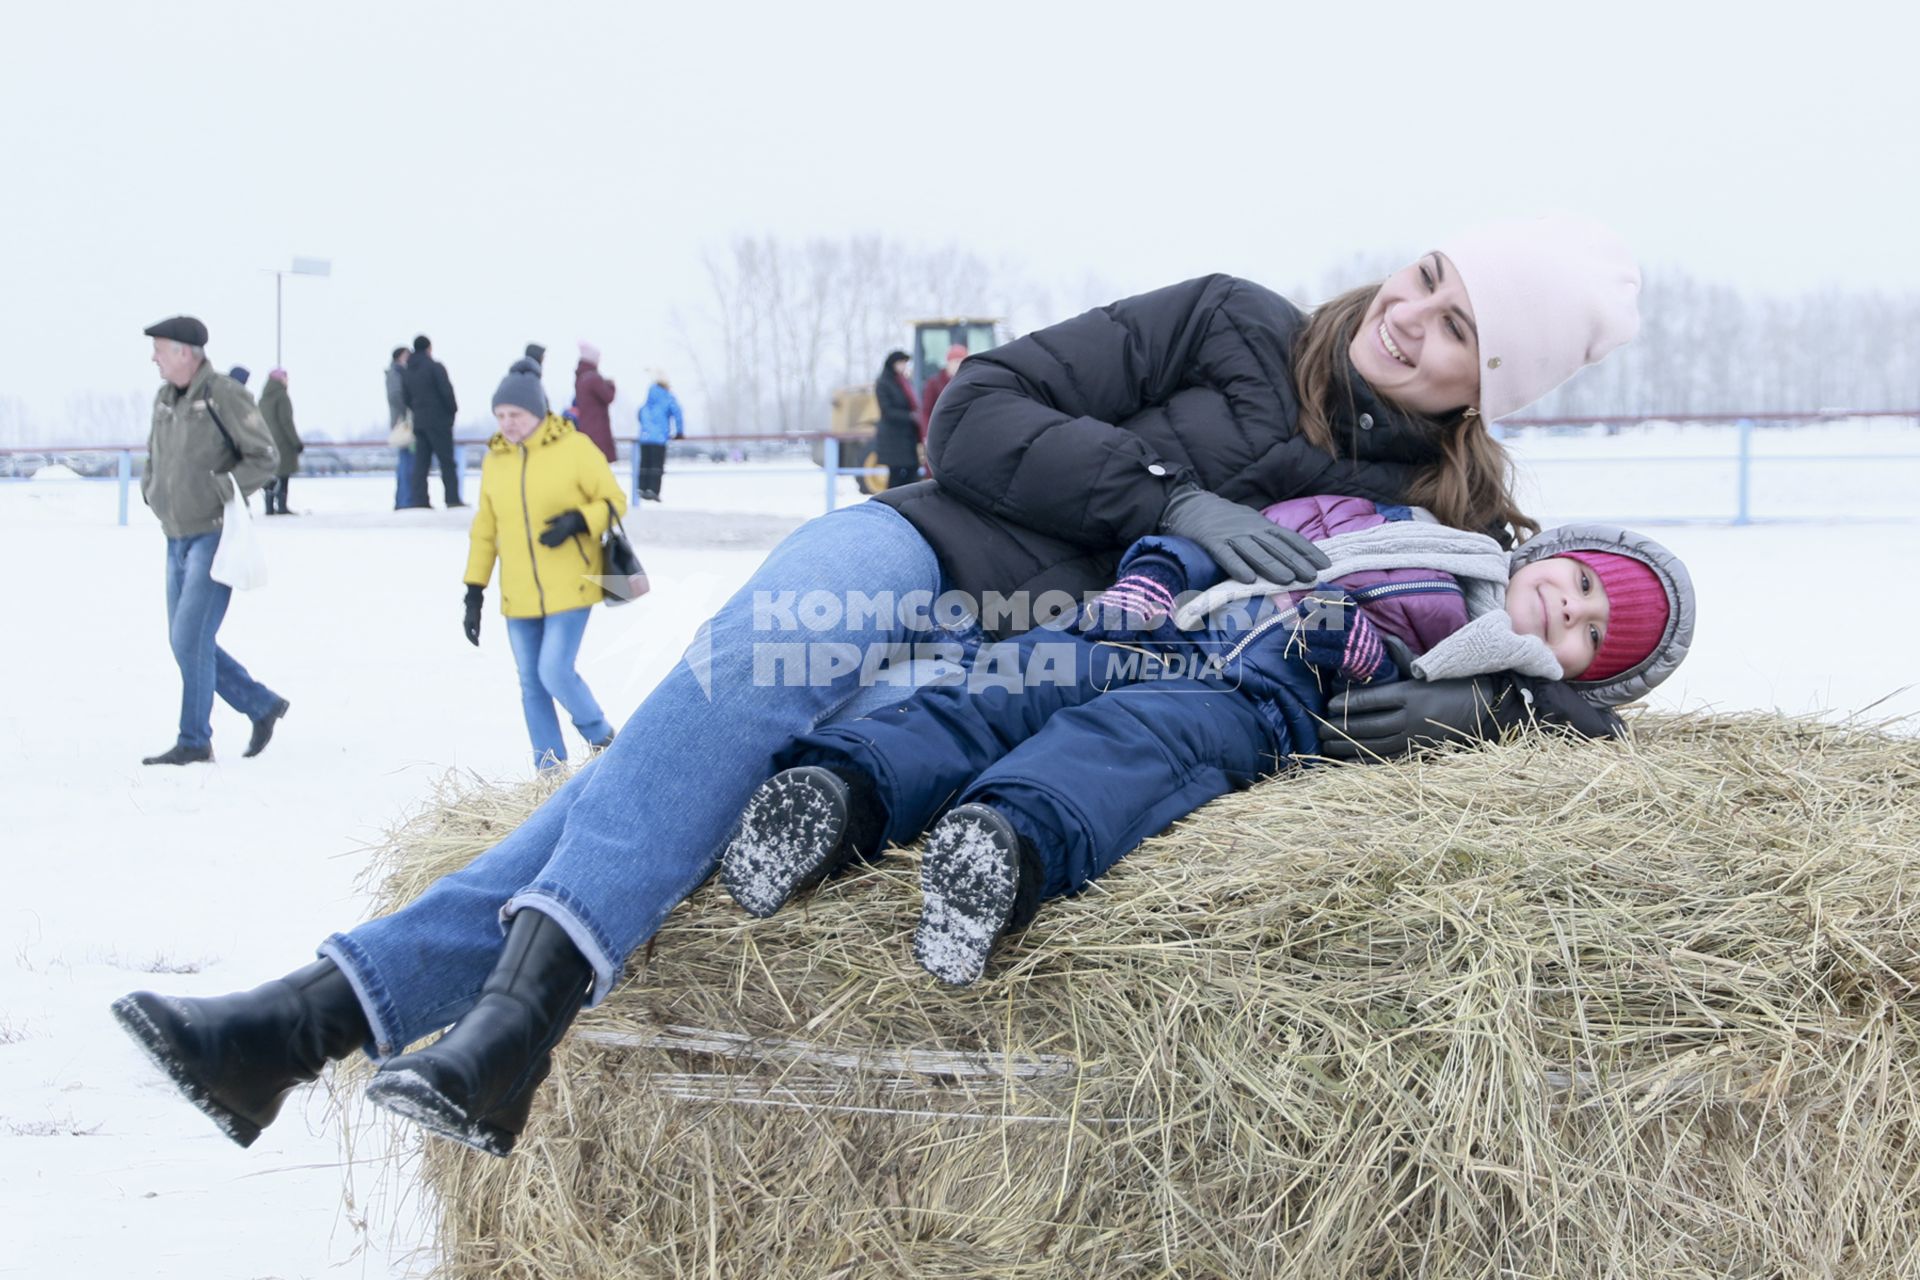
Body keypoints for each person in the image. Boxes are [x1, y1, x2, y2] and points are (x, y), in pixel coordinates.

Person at [110, 215, 1641, 1158]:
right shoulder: (1231, 318)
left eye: (1457, 334)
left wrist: (1486, 708)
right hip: (936, 549)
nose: (1413, 319)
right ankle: (515, 1020)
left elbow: (1588, 641)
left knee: (670, 767)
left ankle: (312, 1021)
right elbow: (977, 409)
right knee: (727, 690)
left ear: (1484, 392)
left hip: (1042, 668)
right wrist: (1162, 501)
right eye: (1428, 278)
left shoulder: (1449, 524)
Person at [723, 501, 1694, 984]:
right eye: (1585, 580)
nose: (1571, 606)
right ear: (1555, 551)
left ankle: (998, 851)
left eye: (1592, 633)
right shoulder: (1403, 526)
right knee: (1005, 686)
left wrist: (1371, 654)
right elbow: (1238, 530)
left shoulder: (1500, 686)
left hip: (1253, 694)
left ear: (1578, 670)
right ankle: (834, 797)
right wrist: (1154, 572)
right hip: (1174, 620)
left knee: (1132, 744)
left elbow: (1567, 733)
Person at [137, 316, 292, 765]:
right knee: (185, 640)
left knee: (189, 640)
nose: (154, 358)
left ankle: (194, 740)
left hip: (213, 535)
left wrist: (220, 491)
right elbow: (155, 456)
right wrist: (151, 490)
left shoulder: (223, 393)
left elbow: (265, 457)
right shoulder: (164, 399)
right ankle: (260, 703)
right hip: (175, 535)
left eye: (161, 349)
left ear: (187, 352)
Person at [461, 359, 627, 770]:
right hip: (518, 593)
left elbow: (614, 503)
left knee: (554, 670)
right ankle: (550, 772)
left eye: (515, 414)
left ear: (537, 412)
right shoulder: (495, 460)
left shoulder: (575, 449)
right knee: (531, 684)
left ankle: (603, 739)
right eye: (500, 416)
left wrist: (578, 521)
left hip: (571, 584)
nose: (507, 423)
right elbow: (485, 529)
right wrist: (474, 590)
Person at [403, 334, 462, 508]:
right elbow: (446, 391)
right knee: (447, 462)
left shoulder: (408, 371)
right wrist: (452, 411)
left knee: (421, 463)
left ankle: (419, 500)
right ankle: (452, 499)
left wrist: (417, 411)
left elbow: (405, 398)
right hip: (438, 421)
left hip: (419, 421)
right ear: (429, 348)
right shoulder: (435, 367)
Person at [872, 349, 922, 491]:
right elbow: (887, 411)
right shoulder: (884, 383)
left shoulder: (904, 382)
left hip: (907, 438)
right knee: (896, 477)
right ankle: (892, 508)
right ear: (892, 364)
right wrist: (910, 416)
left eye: (905, 363)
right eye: (901, 363)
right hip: (893, 439)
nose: (904, 366)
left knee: (912, 475)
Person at [257, 368, 304, 515]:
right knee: (284, 475)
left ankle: (269, 507)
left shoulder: (263, 398)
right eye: (285, 378)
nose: (287, 381)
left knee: (271, 476)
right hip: (282, 442)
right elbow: (286, 422)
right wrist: (296, 442)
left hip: (267, 440)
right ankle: (282, 506)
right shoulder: (282, 396)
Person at [634, 371, 684, 500]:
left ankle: (641, 487)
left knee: (644, 464)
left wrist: (645, 426)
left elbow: (640, 413)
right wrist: (679, 432)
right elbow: (677, 413)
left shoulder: (649, 397)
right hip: (659, 438)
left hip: (645, 437)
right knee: (656, 465)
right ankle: (653, 490)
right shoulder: (668, 397)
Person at [572, 341, 618, 464]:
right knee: (599, 466)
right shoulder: (594, 378)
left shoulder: (581, 378)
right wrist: (611, 385)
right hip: (598, 432)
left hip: (585, 429)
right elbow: (609, 397)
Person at [917, 343, 967, 441]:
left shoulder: (968, 383)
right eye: (956, 361)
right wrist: (927, 436)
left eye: (963, 362)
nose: (959, 365)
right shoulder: (934, 383)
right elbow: (926, 411)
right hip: (940, 436)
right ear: (949, 362)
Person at [386, 347, 414, 510]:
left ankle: (402, 500)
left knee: (406, 461)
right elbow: (396, 395)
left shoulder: (396, 373)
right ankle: (404, 500)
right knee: (406, 461)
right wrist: (406, 412)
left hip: (401, 422)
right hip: (403, 424)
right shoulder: (396, 373)